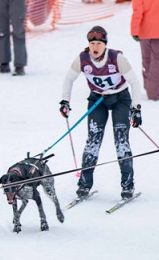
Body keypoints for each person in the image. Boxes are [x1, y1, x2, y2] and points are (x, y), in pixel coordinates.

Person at [59, 26, 143, 200]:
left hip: (121, 99)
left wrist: (136, 108)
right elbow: (68, 78)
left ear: (105, 44)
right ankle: (84, 184)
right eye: (92, 43)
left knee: (121, 142)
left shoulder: (116, 58)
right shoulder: (83, 59)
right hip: (98, 100)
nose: (95, 47)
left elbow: (134, 82)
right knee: (92, 142)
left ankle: (127, 185)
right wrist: (65, 101)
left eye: (98, 43)